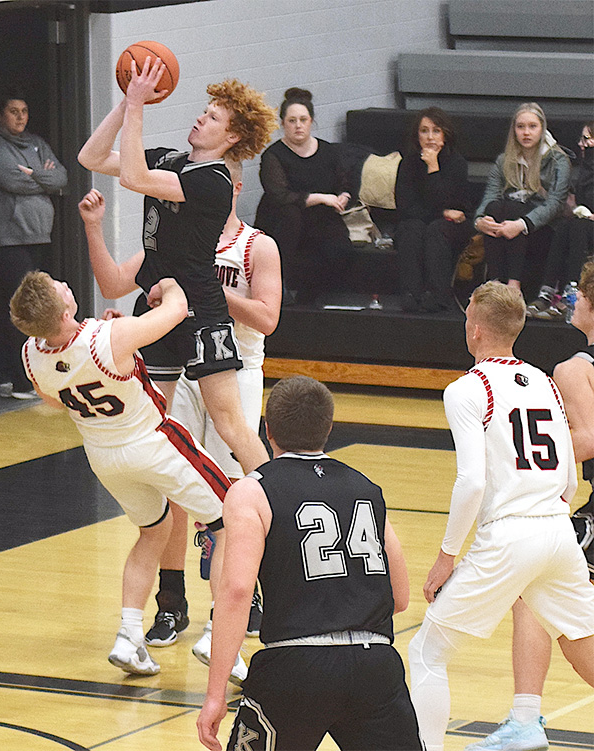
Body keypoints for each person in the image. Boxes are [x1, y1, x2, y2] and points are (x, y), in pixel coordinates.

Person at [9, 271, 242, 680]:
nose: (67, 283)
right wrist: (169, 281)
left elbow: (53, 397)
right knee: (231, 522)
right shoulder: (107, 338)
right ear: (64, 312)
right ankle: (218, 632)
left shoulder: (32, 353)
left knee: (153, 532)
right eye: (59, 286)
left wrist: (112, 338)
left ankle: (129, 636)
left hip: (104, 455)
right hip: (153, 441)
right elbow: (175, 310)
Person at [408, 281, 594, 751]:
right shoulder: (545, 380)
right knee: (586, 649)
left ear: (473, 329)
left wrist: (446, 557)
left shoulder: (467, 389)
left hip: (510, 536)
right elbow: (570, 471)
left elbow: (471, 481)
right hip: (556, 529)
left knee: (426, 653)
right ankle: (524, 723)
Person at [196, 375, 422, 751]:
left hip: (294, 666)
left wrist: (215, 694)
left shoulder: (252, 491)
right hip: (376, 664)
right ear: (328, 429)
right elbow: (400, 597)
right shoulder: (366, 488)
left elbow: (236, 591)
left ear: (267, 430)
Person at [78, 60, 277, 477]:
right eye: (205, 111)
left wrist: (138, 108)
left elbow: (133, 177)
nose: (201, 117)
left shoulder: (215, 181)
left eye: (214, 117)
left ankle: (276, 502)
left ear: (232, 136)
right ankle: (173, 507)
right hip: (156, 308)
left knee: (231, 427)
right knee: (156, 419)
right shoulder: (169, 159)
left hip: (200, 309)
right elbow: (91, 156)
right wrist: (126, 103)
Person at [148, 160, 281, 652]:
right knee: (172, 483)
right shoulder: (182, 243)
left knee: (234, 496)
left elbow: (268, 318)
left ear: (235, 187)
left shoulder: (257, 245)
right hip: (189, 365)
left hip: (238, 368)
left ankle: (238, 605)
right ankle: (170, 603)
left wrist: (210, 290)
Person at [464, 261, 594, 751]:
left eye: (579, 295)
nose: (573, 303)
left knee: (541, 596)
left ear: (589, 301)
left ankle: (525, 719)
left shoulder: (573, 368)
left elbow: (585, 438)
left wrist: (513, 449)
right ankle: (524, 717)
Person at [0, 88, 67, 398]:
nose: (21, 116)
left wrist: (32, 173)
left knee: (11, 306)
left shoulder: (36, 144)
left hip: (36, 235)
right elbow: (10, 179)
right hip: (4, 238)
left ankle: (1, 376)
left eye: (24, 110)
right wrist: (41, 177)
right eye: (13, 111)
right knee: (23, 306)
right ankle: (22, 378)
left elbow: (61, 177)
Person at [254, 87, 353, 306]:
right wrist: (320, 198)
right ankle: (279, 286)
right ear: (282, 124)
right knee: (292, 217)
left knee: (339, 247)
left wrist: (344, 195)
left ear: (311, 121)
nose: (298, 125)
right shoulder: (273, 155)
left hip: (320, 218)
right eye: (292, 120)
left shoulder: (328, 151)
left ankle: (312, 298)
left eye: (303, 119)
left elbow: (344, 184)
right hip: (283, 218)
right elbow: (279, 195)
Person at [473, 103, 571, 295]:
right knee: (494, 208)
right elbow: (490, 195)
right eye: (521, 127)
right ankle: (495, 281)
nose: (526, 132)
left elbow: (555, 204)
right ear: (514, 130)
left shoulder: (558, 160)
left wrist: (522, 224)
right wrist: (480, 221)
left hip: (543, 228)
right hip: (508, 226)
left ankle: (513, 284)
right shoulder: (504, 160)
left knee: (513, 209)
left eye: (532, 126)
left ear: (542, 128)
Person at [394, 107, 472, 312]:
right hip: (422, 220)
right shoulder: (408, 163)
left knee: (436, 229)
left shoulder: (457, 163)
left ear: (445, 134)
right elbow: (405, 206)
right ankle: (411, 293)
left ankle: (439, 294)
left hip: (454, 226)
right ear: (416, 135)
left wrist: (433, 168)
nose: (430, 137)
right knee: (411, 228)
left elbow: (450, 203)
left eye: (436, 131)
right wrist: (442, 212)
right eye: (424, 131)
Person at [527, 120, 594, 319]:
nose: (581, 144)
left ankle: (571, 295)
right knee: (566, 226)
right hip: (587, 224)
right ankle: (548, 291)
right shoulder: (586, 166)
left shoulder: (589, 165)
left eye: (586, 139)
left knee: (578, 227)